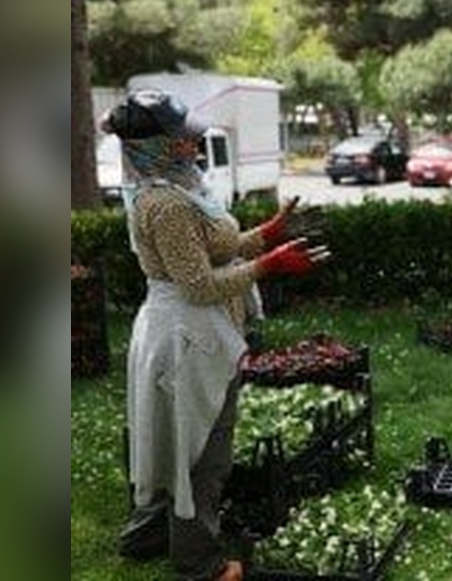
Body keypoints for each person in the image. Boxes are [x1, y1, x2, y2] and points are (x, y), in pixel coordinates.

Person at [109, 89, 329, 581]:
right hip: (188, 339)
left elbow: (217, 250)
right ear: (156, 148)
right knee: (202, 452)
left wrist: (267, 231)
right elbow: (201, 286)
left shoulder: (178, 187)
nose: (195, 144)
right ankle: (200, 563)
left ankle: (147, 535)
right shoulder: (166, 205)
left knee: (172, 438)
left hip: (188, 331)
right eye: (183, 139)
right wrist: (270, 265)